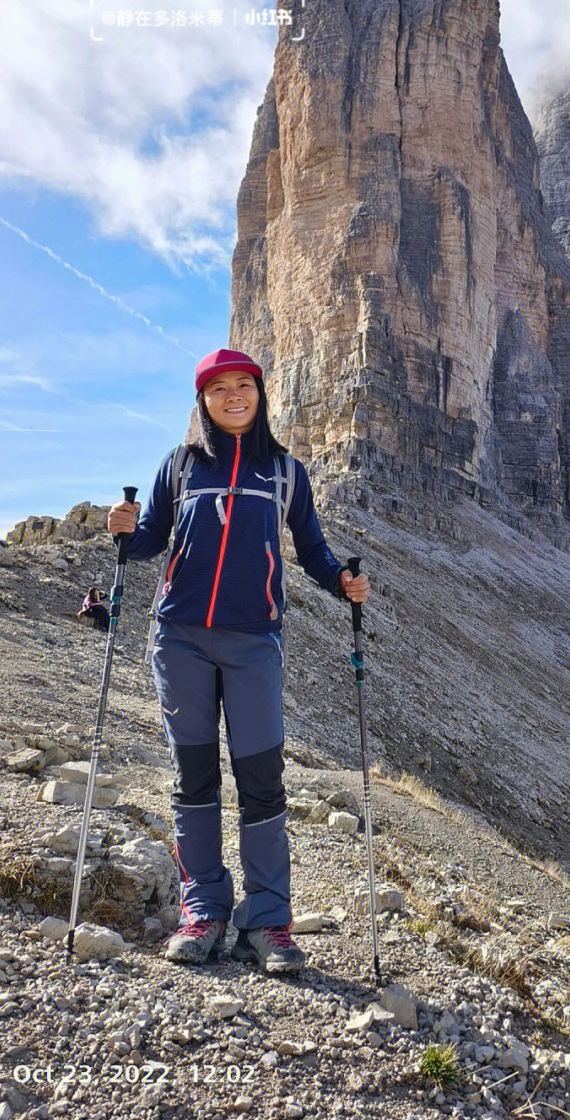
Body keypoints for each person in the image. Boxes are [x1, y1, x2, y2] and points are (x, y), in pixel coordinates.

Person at [107, 348, 370, 974]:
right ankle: (204, 911)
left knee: (261, 783)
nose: (232, 396)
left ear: (260, 393)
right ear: (202, 400)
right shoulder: (180, 465)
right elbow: (148, 539)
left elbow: (311, 549)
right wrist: (123, 528)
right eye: (218, 388)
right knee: (193, 780)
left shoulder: (285, 472)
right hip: (181, 638)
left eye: (243, 385)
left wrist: (342, 581)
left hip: (255, 643)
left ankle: (267, 921)